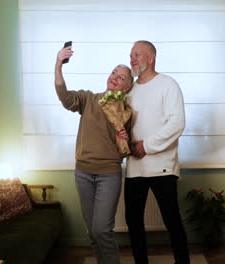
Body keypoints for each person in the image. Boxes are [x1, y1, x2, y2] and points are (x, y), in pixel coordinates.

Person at [55, 44, 133, 264]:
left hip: (108, 175)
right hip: (83, 173)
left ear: (127, 87)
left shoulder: (127, 113)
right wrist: (58, 64)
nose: (115, 78)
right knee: (92, 233)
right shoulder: (89, 99)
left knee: (102, 230)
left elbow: (127, 152)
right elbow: (65, 97)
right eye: (113, 73)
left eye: (121, 77)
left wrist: (122, 138)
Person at [125, 40, 190, 264]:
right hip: (134, 167)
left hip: (163, 166)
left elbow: (177, 123)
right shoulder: (129, 90)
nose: (132, 59)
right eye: (131, 55)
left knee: (171, 220)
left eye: (137, 54)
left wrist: (146, 146)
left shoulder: (168, 84)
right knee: (133, 222)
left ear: (151, 58)